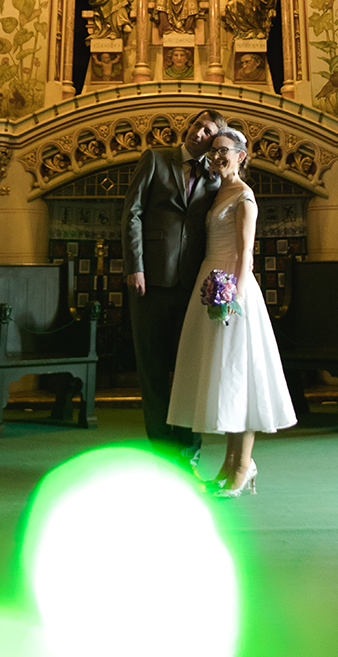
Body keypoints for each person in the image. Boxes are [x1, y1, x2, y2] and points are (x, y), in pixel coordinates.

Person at [167, 126, 296, 496]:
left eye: (225, 150)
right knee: (224, 378)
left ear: (242, 155)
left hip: (231, 289)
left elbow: (246, 253)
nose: (218, 156)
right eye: (213, 151)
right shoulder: (215, 192)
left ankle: (243, 465)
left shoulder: (244, 196)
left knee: (240, 377)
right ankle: (227, 465)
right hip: (208, 284)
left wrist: (231, 299)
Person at [121, 108, 226, 464]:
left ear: (215, 142)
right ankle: (162, 452)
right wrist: (135, 267)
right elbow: (132, 212)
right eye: (197, 125)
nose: (198, 132)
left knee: (190, 369)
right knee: (152, 369)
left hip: (193, 284)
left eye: (208, 131)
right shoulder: (154, 159)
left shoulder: (215, 177)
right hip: (149, 281)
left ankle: (190, 452)